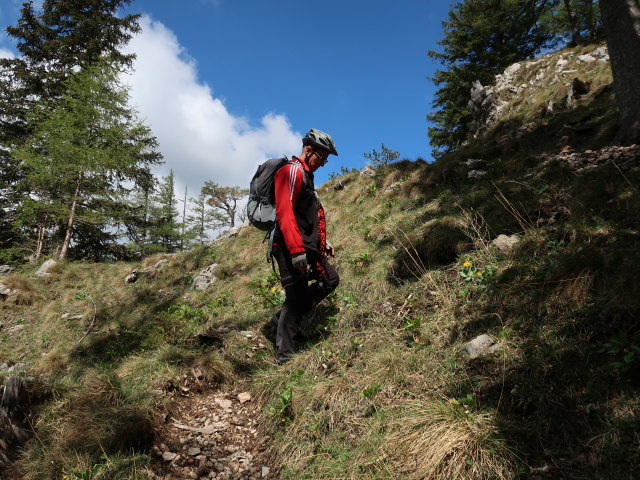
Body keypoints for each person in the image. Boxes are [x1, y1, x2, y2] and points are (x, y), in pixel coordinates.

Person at [270, 128, 340, 365]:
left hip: (306, 246)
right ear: (308, 149)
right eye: (322, 157)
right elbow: (285, 212)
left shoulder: (307, 177)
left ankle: (285, 320)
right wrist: (296, 250)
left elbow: (306, 217)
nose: (324, 162)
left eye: (326, 159)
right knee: (295, 297)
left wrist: (322, 242)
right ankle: (285, 355)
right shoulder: (291, 171)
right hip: (289, 247)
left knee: (329, 280)